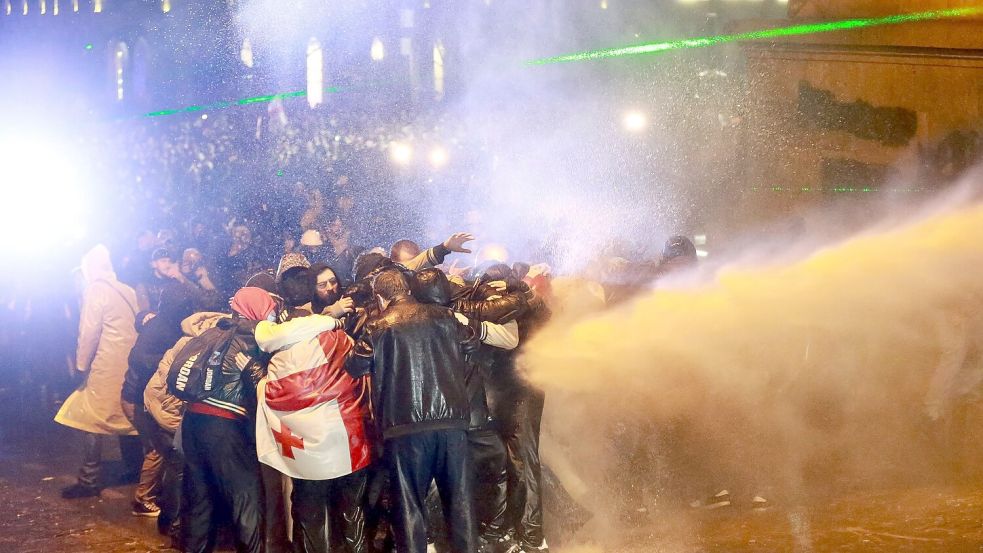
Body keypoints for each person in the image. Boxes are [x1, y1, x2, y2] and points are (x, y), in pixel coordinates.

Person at [345, 269, 481, 553]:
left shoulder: (377, 326)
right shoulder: (443, 316)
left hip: (404, 428)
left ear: (380, 298)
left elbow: (354, 366)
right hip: (452, 423)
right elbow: (471, 343)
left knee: (409, 508)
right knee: (460, 505)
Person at [256, 306, 370, 553]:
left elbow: (272, 394)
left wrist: (254, 374)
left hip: (307, 454)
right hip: (350, 440)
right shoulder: (342, 339)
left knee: (312, 513)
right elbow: (361, 378)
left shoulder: (282, 355)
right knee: (352, 510)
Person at [180, 287, 276, 553]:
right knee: (246, 499)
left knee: (200, 500)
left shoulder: (217, 331)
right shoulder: (253, 337)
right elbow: (261, 389)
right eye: (270, 309)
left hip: (193, 421)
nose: (273, 315)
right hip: (225, 426)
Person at [57, 245, 143, 499]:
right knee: (126, 414)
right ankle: (135, 468)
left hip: (106, 365)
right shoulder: (127, 290)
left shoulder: (96, 290)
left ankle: (89, 478)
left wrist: (81, 365)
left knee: (90, 417)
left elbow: (89, 332)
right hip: (129, 363)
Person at [121, 283, 197, 517]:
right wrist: (168, 361)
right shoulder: (161, 327)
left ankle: (160, 493)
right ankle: (143, 500)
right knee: (157, 448)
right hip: (136, 399)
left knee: (161, 447)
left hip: (140, 397)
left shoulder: (164, 323)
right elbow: (138, 357)